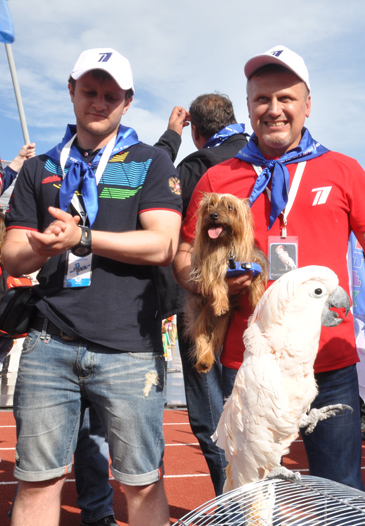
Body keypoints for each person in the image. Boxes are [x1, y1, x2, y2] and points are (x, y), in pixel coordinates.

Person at [173, 45, 365, 490]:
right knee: (253, 495)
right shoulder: (218, 178)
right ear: (248, 107)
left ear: (307, 105)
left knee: (340, 493)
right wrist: (212, 281)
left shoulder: (343, 170)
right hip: (250, 363)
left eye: (286, 98)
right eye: (262, 99)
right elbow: (184, 256)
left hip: (328, 361)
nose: (274, 109)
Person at [3, 48, 181, 526]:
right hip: (49, 343)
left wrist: (82, 237)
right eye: (90, 91)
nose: (99, 102)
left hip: (130, 348)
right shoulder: (41, 167)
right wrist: (41, 247)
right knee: (37, 481)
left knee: (142, 483)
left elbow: (163, 244)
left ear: (128, 101)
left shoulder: (151, 161)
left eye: (110, 95)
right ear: (71, 91)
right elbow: (12, 253)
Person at [154, 93, 249, 496]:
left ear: (195, 130)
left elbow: (152, 192)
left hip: (200, 301)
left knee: (211, 415)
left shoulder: (195, 166)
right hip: (253, 299)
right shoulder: (259, 159)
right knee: (254, 414)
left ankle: (232, 505)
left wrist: (170, 137)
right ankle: (258, 505)